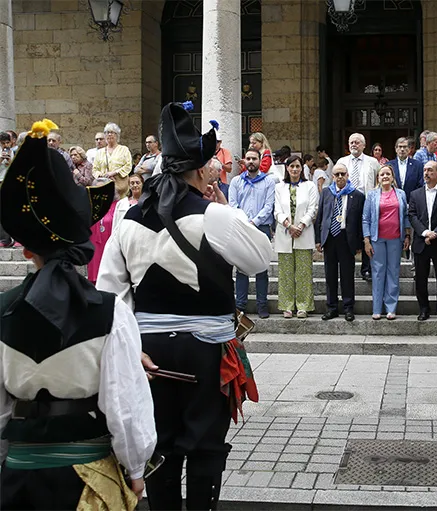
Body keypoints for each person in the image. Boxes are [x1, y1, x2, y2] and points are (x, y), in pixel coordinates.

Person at [96, 102, 272, 510]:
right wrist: (225, 209)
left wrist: (129, 350)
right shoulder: (215, 216)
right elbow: (260, 258)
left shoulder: (128, 221)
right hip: (206, 352)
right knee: (206, 445)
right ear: (199, 170)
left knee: (160, 443)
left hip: (148, 354)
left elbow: (110, 296)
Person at [0, 119, 156, 509]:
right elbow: (124, 407)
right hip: (88, 483)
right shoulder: (111, 312)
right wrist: (136, 470)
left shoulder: (3, 313)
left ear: (26, 251)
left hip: (18, 482)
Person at [229, 149, 276, 319]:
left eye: (254, 158)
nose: (250, 161)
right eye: (248, 158)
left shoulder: (268, 181)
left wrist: (254, 222)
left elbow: (269, 206)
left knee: (262, 268)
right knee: (242, 268)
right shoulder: (236, 181)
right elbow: (233, 204)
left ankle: (262, 304)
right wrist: (244, 222)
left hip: (261, 227)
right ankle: (240, 306)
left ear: (260, 160)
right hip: (241, 228)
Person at [315, 163, 366, 322]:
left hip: (346, 239)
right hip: (330, 238)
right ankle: (331, 308)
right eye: (336, 174)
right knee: (330, 275)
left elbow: (360, 221)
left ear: (347, 175)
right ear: (332, 177)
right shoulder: (326, 192)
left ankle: (348, 308)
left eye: (342, 174)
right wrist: (318, 239)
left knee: (347, 275)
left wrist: (359, 243)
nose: (340, 177)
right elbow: (320, 216)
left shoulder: (357, 195)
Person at [408, 161, 437, 321]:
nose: (426, 173)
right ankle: (424, 309)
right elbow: (412, 215)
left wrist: (435, 233)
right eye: (425, 170)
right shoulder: (415, 194)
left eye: (430, 170)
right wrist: (425, 233)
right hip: (421, 242)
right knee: (421, 278)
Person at [362, 164, 410, 320]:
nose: (385, 177)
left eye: (388, 174)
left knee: (393, 272)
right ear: (378, 178)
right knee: (377, 273)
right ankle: (377, 308)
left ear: (392, 177)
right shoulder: (372, 195)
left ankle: (391, 308)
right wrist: (367, 240)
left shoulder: (401, 194)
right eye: (382, 174)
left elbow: (406, 215)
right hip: (377, 239)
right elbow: (366, 218)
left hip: (396, 238)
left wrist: (407, 235)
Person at [274, 155, 319, 319]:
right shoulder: (279, 187)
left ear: (302, 168)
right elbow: (277, 210)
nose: (294, 169)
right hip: (285, 232)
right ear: (287, 168)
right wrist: (289, 225)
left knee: (303, 272)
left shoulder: (310, 186)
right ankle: (286, 305)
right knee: (285, 273)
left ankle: (303, 306)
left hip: (304, 233)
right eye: (291, 166)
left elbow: (313, 208)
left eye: (297, 166)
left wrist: (300, 226)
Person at [337, 133, 380, 281]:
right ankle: (347, 265)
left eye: (357, 142)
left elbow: (378, 181)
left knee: (366, 234)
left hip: (366, 201)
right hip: (347, 202)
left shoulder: (373, 162)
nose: (354, 145)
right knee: (349, 233)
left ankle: (366, 269)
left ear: (364, 145)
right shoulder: (342, 161)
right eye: (351, 142)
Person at [92, 122, 133, 199]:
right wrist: (103, 175)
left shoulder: (124, 149)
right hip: (104, 186)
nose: (109, 134)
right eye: (107, 132)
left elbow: (128, 166)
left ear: (117, 135)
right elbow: (94, 169)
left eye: (112, 132)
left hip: (120, 188)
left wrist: (114, 173)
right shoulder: (100, 152)